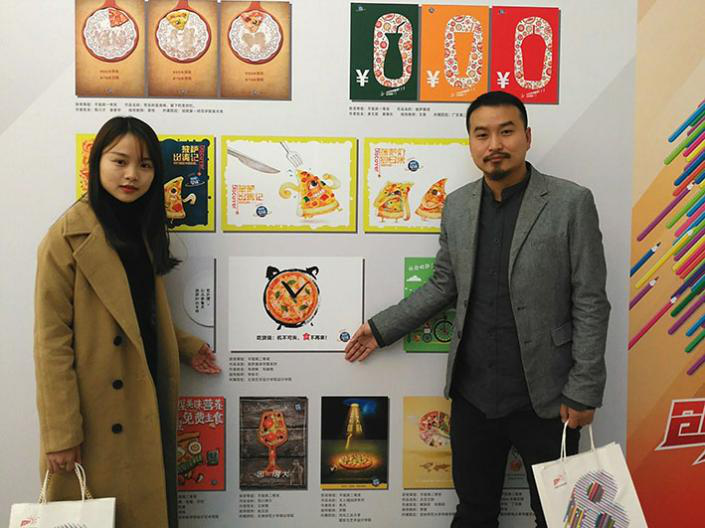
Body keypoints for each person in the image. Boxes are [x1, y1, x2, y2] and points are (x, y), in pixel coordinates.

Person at [344, 91, 610, 528]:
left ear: (527, 137)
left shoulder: (570, 202)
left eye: (506, 132)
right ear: (470, 142)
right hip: (474, 396)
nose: (495, 145)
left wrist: (584, 389)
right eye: (482, 134)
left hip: (547, 398)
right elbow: (443, 284)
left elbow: (590, 300)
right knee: (474, 513)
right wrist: (381, 328)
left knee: (559, 517)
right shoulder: (458, 205)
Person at [33, 116, 221, 527]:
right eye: (120, 161)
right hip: (96, 415)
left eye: (145, 165)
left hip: (143, 394)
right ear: (96, 162)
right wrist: (61, 433)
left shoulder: (143, 230)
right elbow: (50, 343)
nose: (132, 174)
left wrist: (186, 346)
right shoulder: (66, 237)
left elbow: (137, 315)